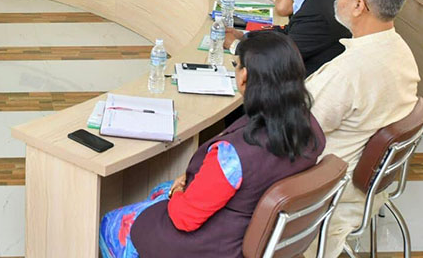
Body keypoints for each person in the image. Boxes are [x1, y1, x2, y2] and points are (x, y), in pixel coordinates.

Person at [99, 31, 324, 258]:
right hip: (255, 230)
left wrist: (178, 191)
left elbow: (184, 218)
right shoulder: (310, 127)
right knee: (159, 191)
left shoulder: (233, 154)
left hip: (216, 245)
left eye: (236, 65)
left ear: (244, 76)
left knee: (112, 223)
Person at [305, 0, 419, 258]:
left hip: (322, 187)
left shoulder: (349, 72)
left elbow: (294, 131)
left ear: (358, 6)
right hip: (361, 182)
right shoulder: (400, 51)